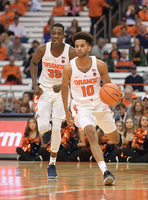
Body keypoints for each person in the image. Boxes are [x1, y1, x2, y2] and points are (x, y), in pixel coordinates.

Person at [61, 32, 123, 185]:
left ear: (89, 48)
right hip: (81, 107)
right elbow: (64, 89)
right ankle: (106, 172)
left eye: (82, 46)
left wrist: (116, 96)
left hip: (100, 104)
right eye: (76, 46)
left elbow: (109, 87)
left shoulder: (100, 65)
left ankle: (118, 137)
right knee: (90, 132)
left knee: (115, 139)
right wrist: (66, 111)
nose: (79, 48)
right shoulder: (69, 68)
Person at [30, 23, 76, 179]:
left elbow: (78, 72)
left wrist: (65, 83)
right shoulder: (43, 49)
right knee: (43, 127)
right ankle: (46, 130)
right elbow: (33, 63)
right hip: (44, 90)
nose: (56, 36)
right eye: (53, 33)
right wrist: (35, 84)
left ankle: (52, 164)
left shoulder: (70, 51)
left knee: (57, 126)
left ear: (64, 35)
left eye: (59, 33)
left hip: (61, 92)